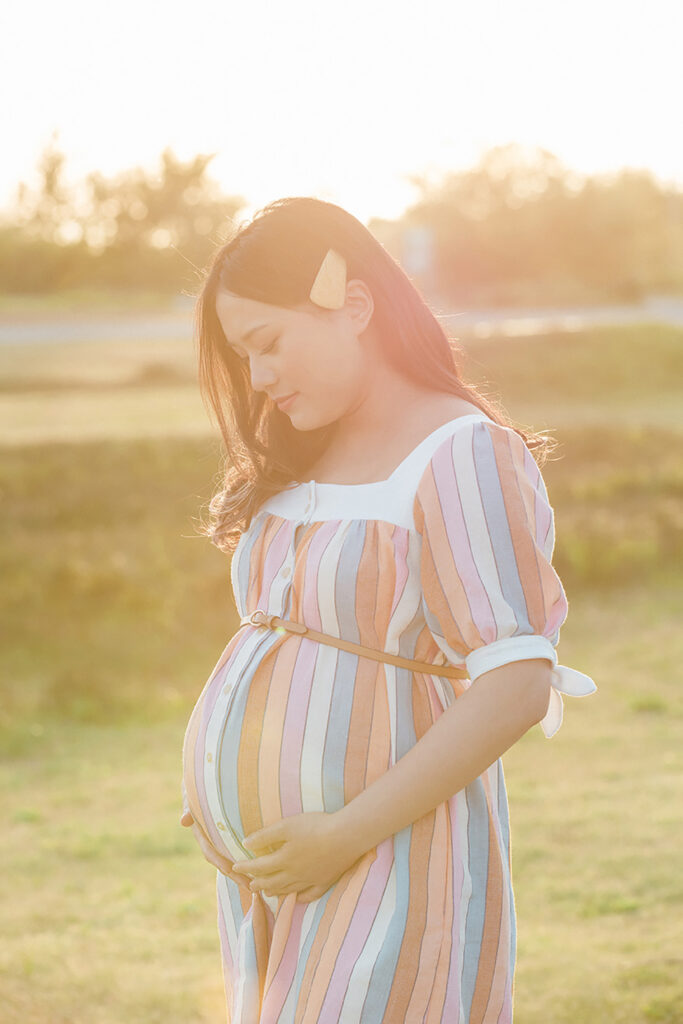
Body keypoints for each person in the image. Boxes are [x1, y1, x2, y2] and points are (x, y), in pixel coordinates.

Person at [180, 196, 597, 1024]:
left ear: (356, 307)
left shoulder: (458, 451)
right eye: (241, 355)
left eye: (268, 343)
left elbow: (515, 682)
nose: (257, 377)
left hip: (384, 857)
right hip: (269, 878)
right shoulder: (302, 457)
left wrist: (343, 832)